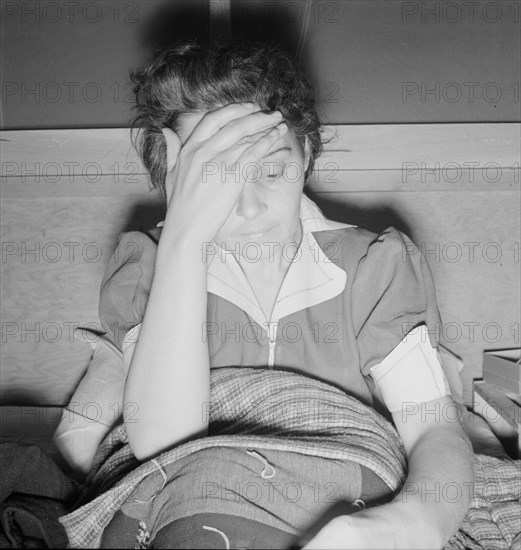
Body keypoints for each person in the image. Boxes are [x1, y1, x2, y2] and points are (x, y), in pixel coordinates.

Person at [104, 38, 474, 549]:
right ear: (174, 180)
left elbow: (434, 429)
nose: (250, 208)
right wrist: (184, 244)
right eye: (218, 181)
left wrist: (411, 524)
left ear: (306, 153)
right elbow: (165, 448)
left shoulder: (375, 266)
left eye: (273, 171)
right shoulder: (146, 268)